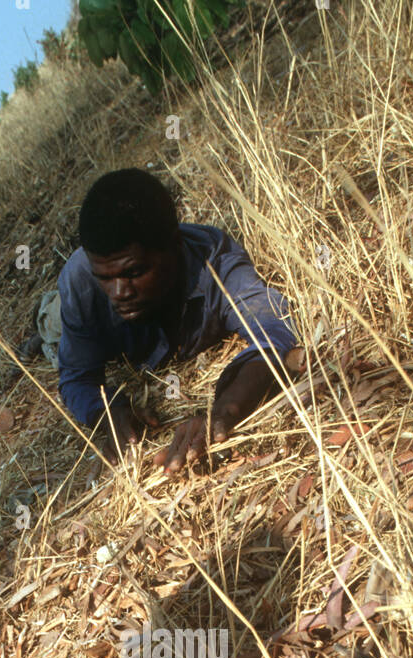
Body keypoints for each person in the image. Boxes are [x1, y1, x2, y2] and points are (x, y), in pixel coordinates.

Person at [24, 168, 302, 474]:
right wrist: (106, 414)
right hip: (70, 306)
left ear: (175, 245)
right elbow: (76, 377)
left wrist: (225, 411)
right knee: (54, 325)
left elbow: (275, 327)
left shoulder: (215, 259)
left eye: (133, 273)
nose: (119, 293)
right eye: (106, 277)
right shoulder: (83, 280)